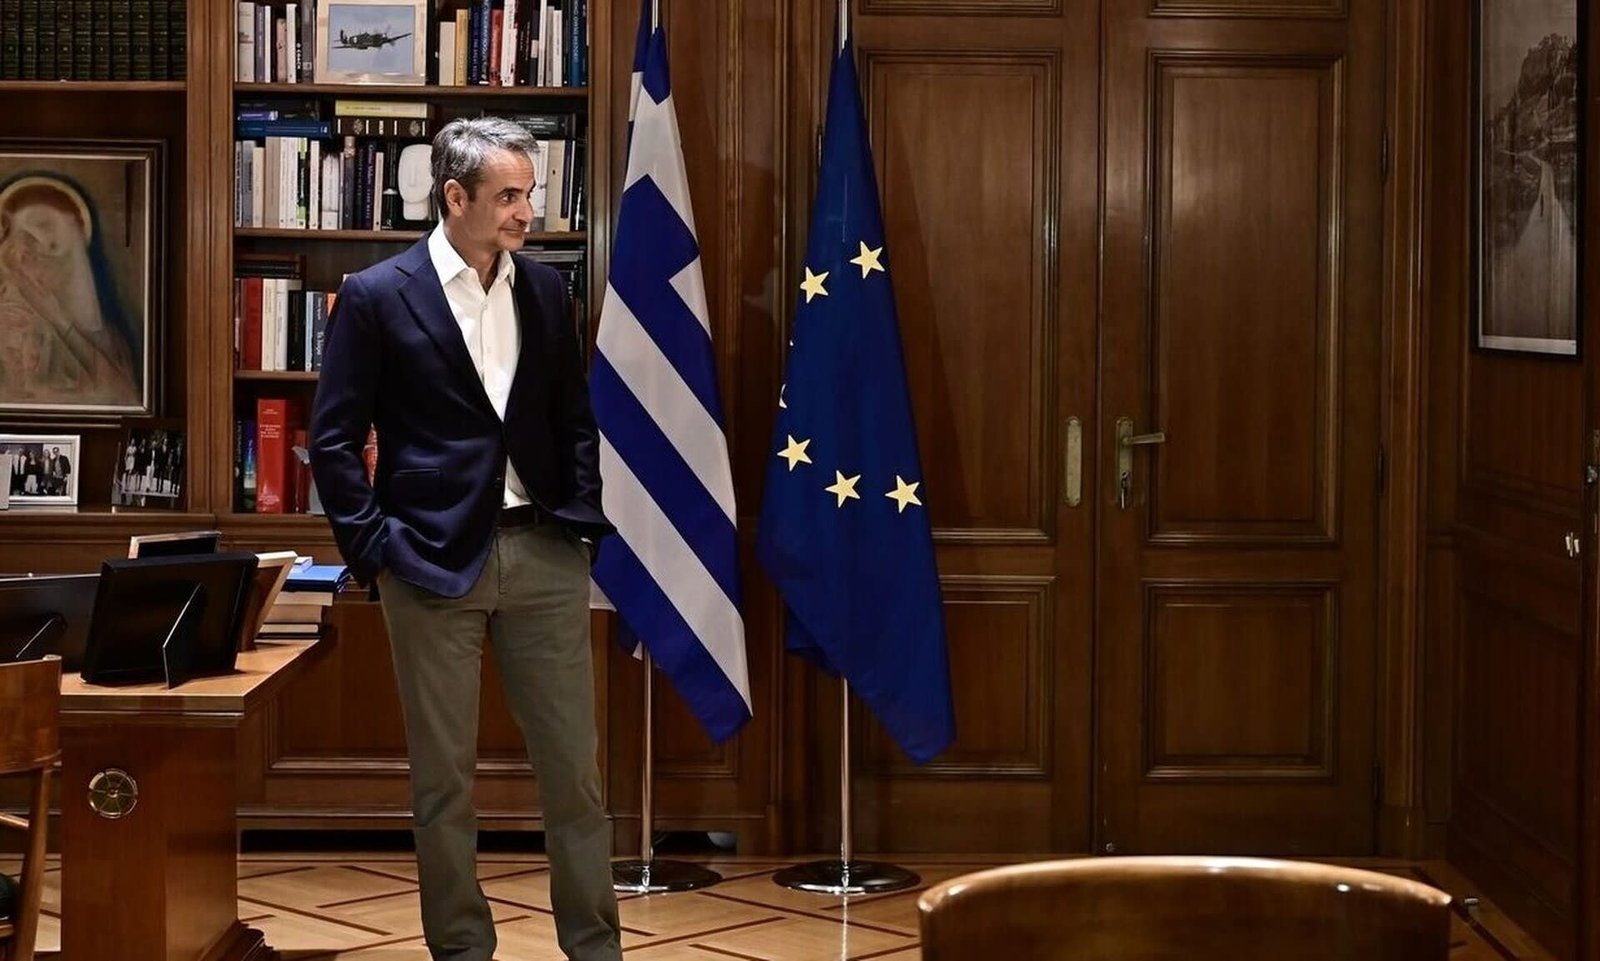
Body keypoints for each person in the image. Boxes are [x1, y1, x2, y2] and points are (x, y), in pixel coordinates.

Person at [308, 117, 619, 961]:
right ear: (455, 196)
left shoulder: (546, 291)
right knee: (443, 783)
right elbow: (333, 441)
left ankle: (596, 949)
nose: (526, 212)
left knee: (576, 777)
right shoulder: (377, 295)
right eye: (509, 195)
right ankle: (462, 950)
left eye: (530, 194)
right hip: (428, 562)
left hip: (544, 554)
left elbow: (574, 420)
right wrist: (375, 550)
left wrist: (579, 525)